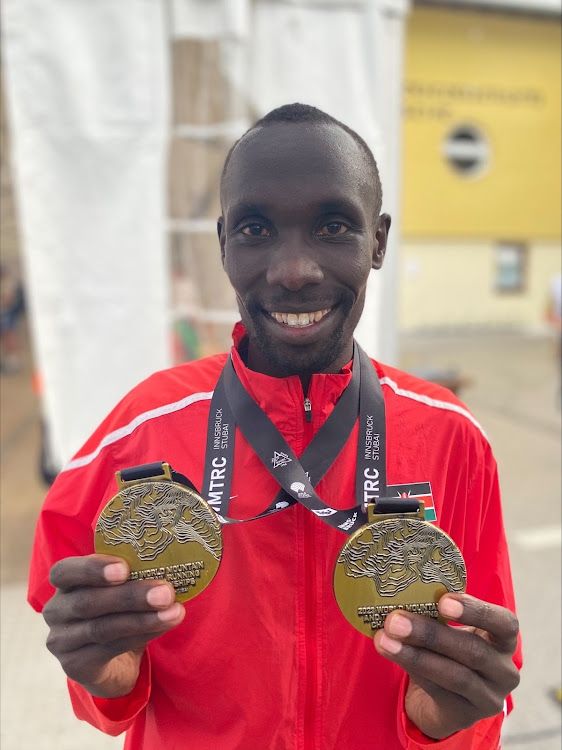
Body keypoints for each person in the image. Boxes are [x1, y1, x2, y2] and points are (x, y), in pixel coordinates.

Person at [30, 104, 521, 750]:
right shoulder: (139, 429)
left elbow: (485, 677)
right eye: (257, 228)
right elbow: (90, 660)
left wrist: (447, 725)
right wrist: (105, 681)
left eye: (334, 226)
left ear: (377, 241)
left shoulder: (452, 438)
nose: (294, 271)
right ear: (224, 242)